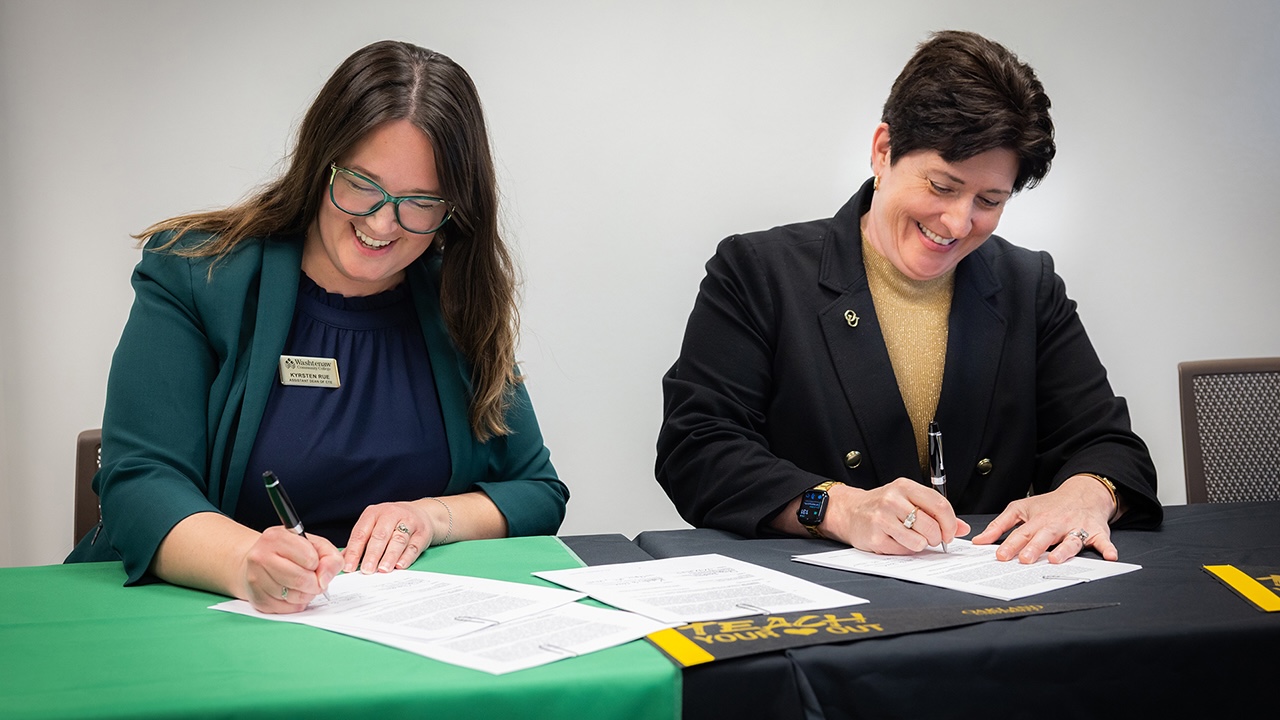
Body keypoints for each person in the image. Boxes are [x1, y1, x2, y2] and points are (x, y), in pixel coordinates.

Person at [67, 40, 568, 613]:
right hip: (192, 621)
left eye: (420, 201)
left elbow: (537, 492)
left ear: (454, 207)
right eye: (362, 185)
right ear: (320, 162)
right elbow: (138, 484)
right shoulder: (194, 274)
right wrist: (244, 561)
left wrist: (429, 516)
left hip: (391, 632)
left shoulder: (458, 297)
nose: (383, 223)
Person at [656, 30, 1161, 565]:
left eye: (989, 200)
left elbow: (1108, 445)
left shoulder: (1027, 285)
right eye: (942, 187)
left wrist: (1086, 495)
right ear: (883, 151)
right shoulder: (758, 272)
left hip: (994, 607)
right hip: (818, 604)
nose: (958, 222)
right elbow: (698, 449)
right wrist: (836, 507)